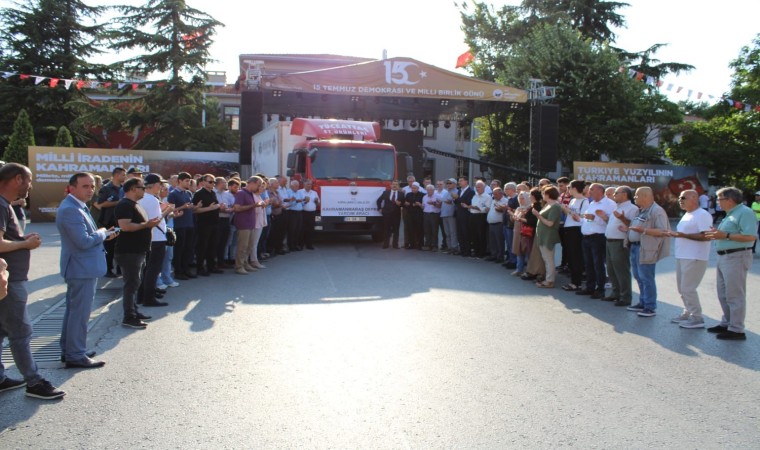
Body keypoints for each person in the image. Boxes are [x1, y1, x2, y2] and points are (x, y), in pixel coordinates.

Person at [0, 163, 66, 399]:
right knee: (21, 332)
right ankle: (34, 382)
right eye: (29, 180)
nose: (30, 186)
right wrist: (25, 244)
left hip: (8, 280)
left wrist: (20, 239)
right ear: (18, 179)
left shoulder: (4, 205)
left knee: (2, 331)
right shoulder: (1, 204)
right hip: (8, 281)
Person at [56, 172, 114, 368]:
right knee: (79, 313)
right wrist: (103, 233)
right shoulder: (71, 209)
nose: (90, 190)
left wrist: (103, 235)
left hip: (82, 267)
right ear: (72, 188)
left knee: (75, 312)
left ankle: (71, 350)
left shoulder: (78, 206)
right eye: (85, 186)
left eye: (91, 186)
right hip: (80, 268)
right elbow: (83, 241)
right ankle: (75, 354)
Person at [704, 187, 758, 340]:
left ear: (730, 200)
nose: (717, 202)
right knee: (723, 293)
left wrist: (725, 235)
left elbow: (750, 237)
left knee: (734, 294)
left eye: (719, 199)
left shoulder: (745, 212)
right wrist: (718, 234)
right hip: (725, 257)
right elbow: (729, 234)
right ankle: (727, 322)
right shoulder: (731, 214)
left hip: (737, 256)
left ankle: (737, 329)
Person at [115, 177, 161, 329]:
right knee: (131, 284)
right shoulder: (124, 204)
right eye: (142, 187)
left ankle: (133, 310)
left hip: (138, 251)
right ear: (133, 189)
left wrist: (148, 224)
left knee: (135, 282)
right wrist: (147, 225)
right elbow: (125, 226)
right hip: (129, 251)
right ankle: (129, 317)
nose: (144, 189)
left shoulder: (135, 204)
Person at [668, 190, 713, 329]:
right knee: (682, 288)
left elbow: (706, 236)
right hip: (683, 255)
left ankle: (697, 317)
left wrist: (682, 235)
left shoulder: (702, 215)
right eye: (679, 197)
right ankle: (688, 312)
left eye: (683, 197)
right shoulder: (688, 214)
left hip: (695, 256)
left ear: (695, 198)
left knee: (688, 288)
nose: (680, 200)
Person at [625, 187, 671, 318]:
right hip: (635, 247)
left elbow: (663, 231)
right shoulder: (641, 211)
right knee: (639, 276)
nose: (634, 199)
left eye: (636, 196)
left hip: (647, 249)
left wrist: (643, 231)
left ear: (645, 196)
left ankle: (650, 306)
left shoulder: (657, 211)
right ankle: (642, 302)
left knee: (646, 278)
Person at [137, 174, 174, 307]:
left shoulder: (142, 197)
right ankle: (149, 298)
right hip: (156, 238)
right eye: (159, 184)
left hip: (148, 237)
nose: (161, 187)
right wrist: (167, 210)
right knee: (153, 269)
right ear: (152, 185)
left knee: (147, 269)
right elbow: (155, 220)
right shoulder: (151, 200)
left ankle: (142, 296)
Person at [576, 183, 616, 299]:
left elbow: (611, 222)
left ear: (600, 191)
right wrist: (580, 219)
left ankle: (600, 289)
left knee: (598, 264)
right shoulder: (592, 203)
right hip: (587, 237)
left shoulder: (609, 204)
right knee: (588, 264)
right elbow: (587, 220)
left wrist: (596, 218)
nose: (589, 192)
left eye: (592, 190)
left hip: (598, 237)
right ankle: (590, 287)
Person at [603, 186, 639, 306]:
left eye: (616, 193)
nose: (614, 195)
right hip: (609, 241)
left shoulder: (632, 208)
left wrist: (623, 218)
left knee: (621, 270)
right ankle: (615, 293)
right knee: (611, 270)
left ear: (624, 194)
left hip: (619, 242)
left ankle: (625, 297)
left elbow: (633, 225)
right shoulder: (616, 207)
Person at [95, 167, 126, 277]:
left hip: (121, 221)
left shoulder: (123, 188)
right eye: (123, 175)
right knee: (109, 246)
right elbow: (101, 204)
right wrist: (119, 202)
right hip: (109, 221)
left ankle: (119, 268)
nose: (125, 177)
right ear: (117, 175)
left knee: (120, 246)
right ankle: (107, 269)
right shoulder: (106, 189)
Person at [559, 180, 588, 292]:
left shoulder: (584, 201)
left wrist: (568, 211)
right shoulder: (572, 200)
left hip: (577, 230)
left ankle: (577, 283)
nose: (568, 190)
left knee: (576, 257)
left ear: (575, 188)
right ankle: (573, 281)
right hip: (568, 228)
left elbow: (581, 217)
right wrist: (565, 209)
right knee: (570, 256)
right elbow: (570, 214)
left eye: (569, 187)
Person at [168, 172, 197, 280]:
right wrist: (183, 207)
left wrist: (194, 207)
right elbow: (170, 210)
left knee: (188, 248)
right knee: (179, 249)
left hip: (189, 224)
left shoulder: (188, 193)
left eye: (189, 181)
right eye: (186, 181)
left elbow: (189, 207)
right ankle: (178, 271)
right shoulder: (172, 194)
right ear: (179, 181)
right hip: (179, 225)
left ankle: (186, 269)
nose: (188, 183)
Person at [192, 174, 222, 276]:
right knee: (202, 246)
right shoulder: (198, 194)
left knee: (213, 246)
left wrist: (219, 206)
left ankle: (211, 266)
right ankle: (200, 268)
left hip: (215, 222)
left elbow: (215, 206)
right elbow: (195, 210)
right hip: (204, 224)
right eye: (210, 182)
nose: (212, 184)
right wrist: (210, 208)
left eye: (214, 182)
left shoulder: (213, 193)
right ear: (203, 182)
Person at [532, 186, 562, 288]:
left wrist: (538, 215)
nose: (542, 195)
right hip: (543, 235)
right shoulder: (548, 205)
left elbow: (550, 223)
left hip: (548, 236)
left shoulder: (555, 206)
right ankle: (548, 279)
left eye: (544, 193)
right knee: (546, 259)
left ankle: (550, 281)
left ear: (548, 195)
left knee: (549, 260)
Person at [233, 176, 261, 275]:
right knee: (242, 246)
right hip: (243, 224)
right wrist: (253, 206)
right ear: (252, 183)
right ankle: (239, 266)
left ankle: (245, 263)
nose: (259, 187)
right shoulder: (241, 193)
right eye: (258, 185)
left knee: (249, 246)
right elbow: (237, 208)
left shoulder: (250, 194)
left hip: (250, 223)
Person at [467, 180, 491, 258]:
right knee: (473, 234)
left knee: (481, 235)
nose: (477, 188)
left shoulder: (487, 196)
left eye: (479, 187)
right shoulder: (474, 195)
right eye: (476, 187)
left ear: (483, 187)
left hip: (481, 216)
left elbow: (487, 208)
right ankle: (476, 251)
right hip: (472, 215)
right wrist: (469, 207)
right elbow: (472, 205)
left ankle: (482, 252)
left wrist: (478, 208)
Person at [376, 180, 403, 249]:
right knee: (386, 229)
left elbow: (403, 204)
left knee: (396, 230)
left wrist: (400, 204)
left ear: (398, 186)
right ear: (391, 185)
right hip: (387, 214)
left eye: (396, 184)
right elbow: (379, 200)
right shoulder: (385, 193)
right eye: (393, 184)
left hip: (396, 214)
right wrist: (379, 208)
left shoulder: (401, 194)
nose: (394, 185)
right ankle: (385, 244)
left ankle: (395, 245)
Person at [214, 177, 235, 268]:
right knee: (216, 241)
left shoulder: (228, 195)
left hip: (226, 219)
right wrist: (220, 208)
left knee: (224, 241)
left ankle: (221, 261)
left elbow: (234, 205)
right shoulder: (213, 193)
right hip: (217, 219)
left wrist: (230, 209)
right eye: (224, 182)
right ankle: (214, 261)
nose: (225, 184)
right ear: (218, 183)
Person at [486, 187, 508, 262]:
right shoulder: (493, 200)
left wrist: (501, 209)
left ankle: (500, 256)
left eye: (495, 194)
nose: (494, 195)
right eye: (493, 194)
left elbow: (506, 211)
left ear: (501, 194)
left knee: (499, 241)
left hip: (499, 223)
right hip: (491, 223)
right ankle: (493, 255)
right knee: (492, 241)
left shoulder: (505, 201)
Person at [453, 177, 474, 256]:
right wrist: (455, 199)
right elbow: (458, 202)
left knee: (466, 233)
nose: (459, 182)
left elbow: (468, 202)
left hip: (466, 215)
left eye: (461, 181)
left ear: (466, 181)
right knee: (460, 233)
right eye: (459, 181)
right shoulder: (459, 190)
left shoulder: (471, 191)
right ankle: (462, 250)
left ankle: (467, 251)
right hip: (459, 214)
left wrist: (458, 198)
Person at [439, 178, 458, 253]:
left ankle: (454, 247)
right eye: (447, 183)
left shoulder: (457, 191)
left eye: (450, 183)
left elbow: (456, 202)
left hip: (451, 214)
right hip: (444, 214)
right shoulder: (446, 192)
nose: (448, 185)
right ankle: (449, 247)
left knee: (453, 231)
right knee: (447, 232)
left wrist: (450, 202)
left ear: (454, 184)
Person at [404, 182, 425, 250]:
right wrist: (407, 204)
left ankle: (420, 244)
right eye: (412, 188)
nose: (413, 189)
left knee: (419, 229)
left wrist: (418, 204)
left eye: (414, 188)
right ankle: (412, 244)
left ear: (418, 188)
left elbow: (423, 205)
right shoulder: (408, 194)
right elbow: (405, 203)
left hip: (419, 214)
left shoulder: (422, 195)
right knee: (410, 229)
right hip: (410, 214)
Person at [299, 180, 319, 250]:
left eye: (310, 184)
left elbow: (318, 203)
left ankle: (309, 245)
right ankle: (301, 245)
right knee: (302, 229)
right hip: (303, 213)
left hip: (312, 213)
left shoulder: (314, 193)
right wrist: (305, 201)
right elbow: (298, 203)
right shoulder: (300, 192)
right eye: (308, 184)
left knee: (311, 229)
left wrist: (316, 201)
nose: (309, 186)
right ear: (304, 185)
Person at [422, 184, 442, 251]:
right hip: (426, 214)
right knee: (427, 230)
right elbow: (423, 206)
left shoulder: (438, 196)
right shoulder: (424, 197)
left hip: (434, 215)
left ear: (434, 190)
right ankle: (428, 244)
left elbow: (439, 206)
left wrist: (433, 203)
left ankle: (435, 246)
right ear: (426, 190)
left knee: (434, 230)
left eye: (431, 190)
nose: (429, 191)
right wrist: (420, 205)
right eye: (428, 190)